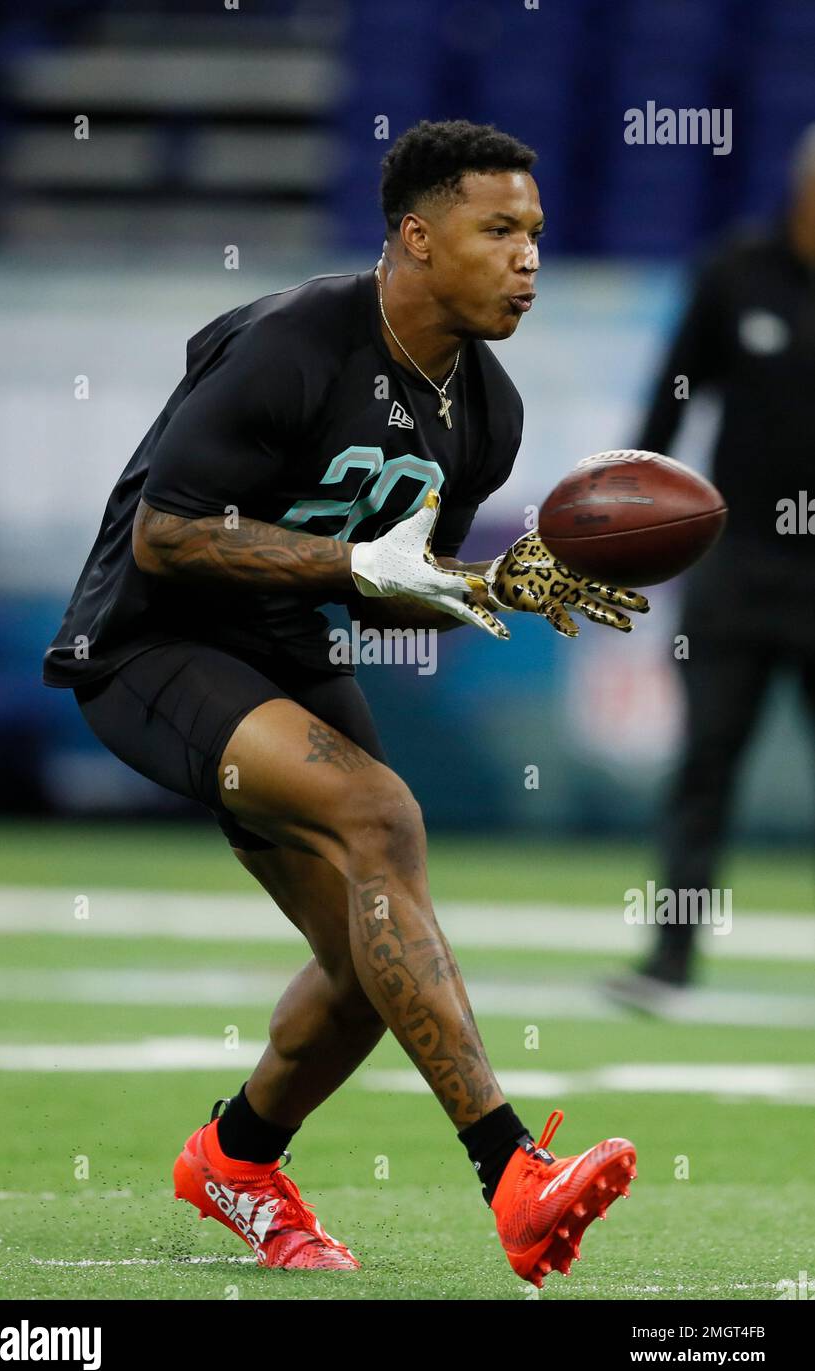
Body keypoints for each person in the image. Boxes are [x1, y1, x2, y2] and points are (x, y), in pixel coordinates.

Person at [43, 119, 643, 1285]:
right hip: (148, 645)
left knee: (375, 966)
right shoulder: (291, 342)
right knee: (384, 820)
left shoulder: (488, 413)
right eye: (499, 231)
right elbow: (167, 539)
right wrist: (354, 569)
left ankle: (234, 1157)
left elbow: (394, 587)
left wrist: (485, 588)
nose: (528, 259)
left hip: (287, 647)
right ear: (416, 238)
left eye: (536, 234)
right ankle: (512, 1172)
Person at [606, 124, 815, 1008]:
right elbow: (668, 402)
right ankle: (671, 957)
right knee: (704, 767)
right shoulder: (734, 272)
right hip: (737, 567)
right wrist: (623, 528)